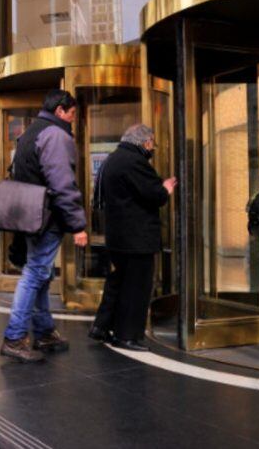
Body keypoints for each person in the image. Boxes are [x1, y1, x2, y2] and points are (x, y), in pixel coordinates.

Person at [0, 89, 88, 363]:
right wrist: (78, 225)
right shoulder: (55, 135)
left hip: (29, 214)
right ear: (60, 111)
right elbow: (62, 183)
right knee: (36, 272)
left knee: (41, 273)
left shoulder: (29, 133)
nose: (73, 120)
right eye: (72, 114)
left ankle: (44, 330)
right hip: (46, 216)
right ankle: (14, 337)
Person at [89, 124, 176, 351]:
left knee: (117, 283)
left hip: (117, 237)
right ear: (144, 142)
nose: (152, 147)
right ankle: (126, 335)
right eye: (151, 143)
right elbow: (154, 195)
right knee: (136, 288)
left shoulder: (113, 159)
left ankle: (101, 325)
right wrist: (165, 188)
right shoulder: (135, 162)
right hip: (136, 239)